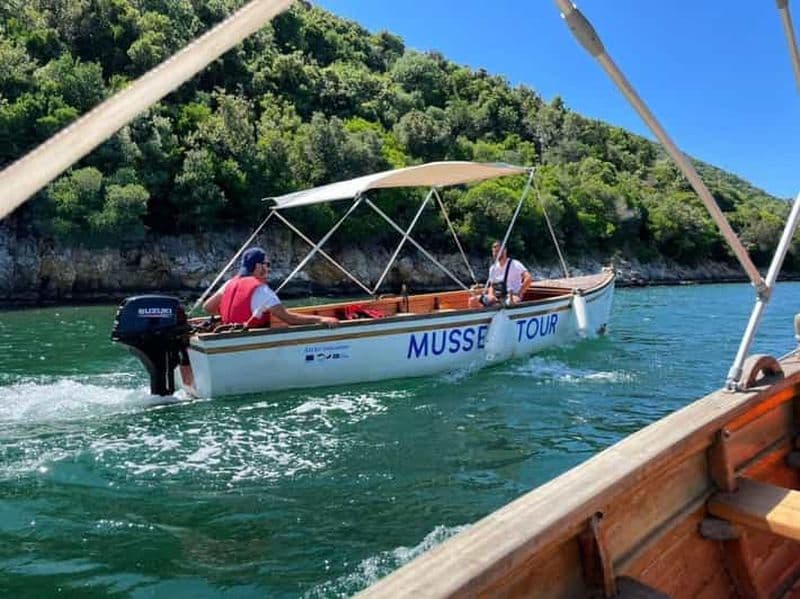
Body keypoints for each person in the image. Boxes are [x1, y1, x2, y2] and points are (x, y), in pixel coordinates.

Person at [203, 247, 339, 329]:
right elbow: (289, 319)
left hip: (226, 335)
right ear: (258, 266)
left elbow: (207, 307)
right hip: (248, 339)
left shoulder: (229, 284)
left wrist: (234, 312)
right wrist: (320, 319)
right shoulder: (261, 290)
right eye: (266, 264)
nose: (268, 268)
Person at [469, 240, 532, 308]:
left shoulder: (515, 264)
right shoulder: (493, 268)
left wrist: (520, 293)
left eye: (497, 251)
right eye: (494, 251)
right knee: (473, 300)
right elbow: (492, 286)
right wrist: (491, 295)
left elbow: (528, 278)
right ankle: (481, 316)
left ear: (504, 251)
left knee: (509, 303)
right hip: (497, 296)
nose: (495, 254)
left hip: (512, 295)